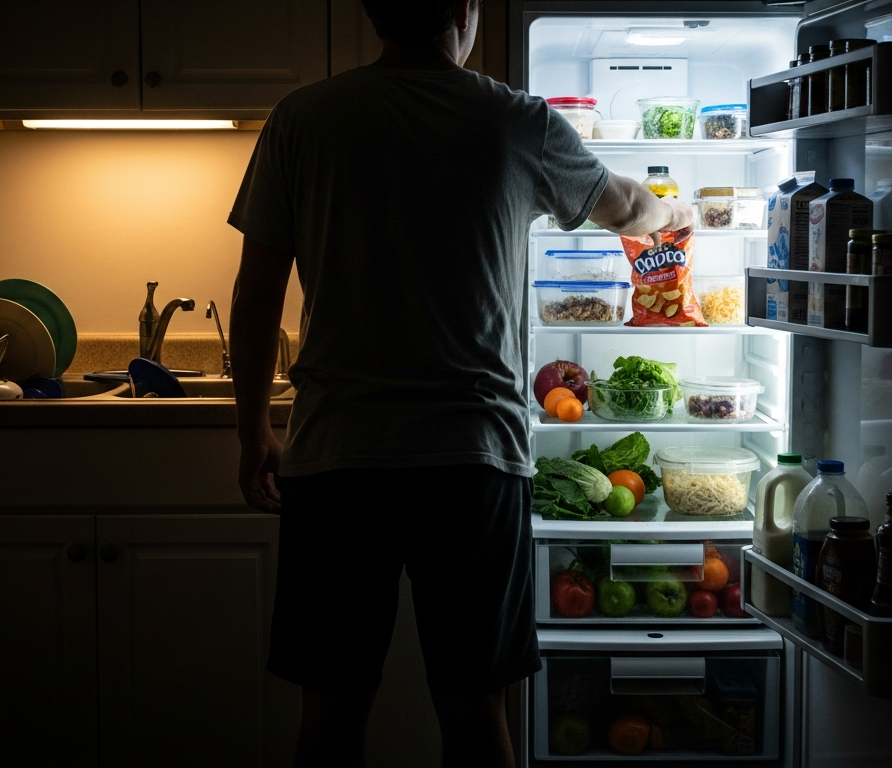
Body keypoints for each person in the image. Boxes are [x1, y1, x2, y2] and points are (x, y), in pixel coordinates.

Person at [226, 1, 696, 765]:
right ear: (467, 10)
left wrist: (252, 431)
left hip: (338, 457)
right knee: (476, 712)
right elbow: (625, 207)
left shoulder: (303, 118)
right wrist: (673, 210)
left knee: (332, 714)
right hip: (473, 462)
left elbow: (254, 297)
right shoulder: (516, 121)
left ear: (374, 9)